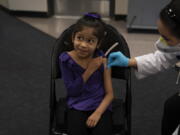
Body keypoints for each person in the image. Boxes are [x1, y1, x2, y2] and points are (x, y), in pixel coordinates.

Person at [107, 0, 180, 135]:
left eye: (166, 38)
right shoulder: (177, 46)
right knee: (172, 106)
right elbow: (162, 58)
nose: (161, 42)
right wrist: (129, 62)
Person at [59, 12, 114, 135]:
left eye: (90, 41)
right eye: (80, 38)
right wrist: (89, 70)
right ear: (73, 37)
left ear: (98, 44)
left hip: (100, 105)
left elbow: (110, 94)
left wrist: (98, 113)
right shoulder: (66, 59)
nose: (83, 45)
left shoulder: (103, 60)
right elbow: (72, 91)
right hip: (77, 104)